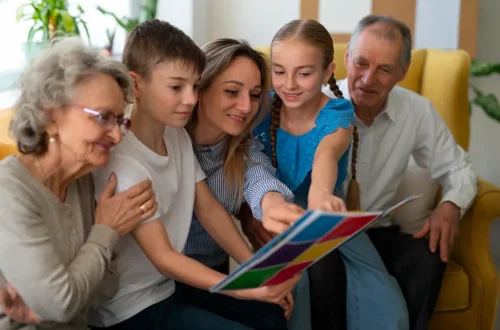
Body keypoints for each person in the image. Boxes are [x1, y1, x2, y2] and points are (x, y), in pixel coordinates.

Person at [88, 20, 300, 330]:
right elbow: (163, 257)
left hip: (166, 287)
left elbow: (209, 209)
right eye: (177, 87)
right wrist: (243, 288)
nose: (190, 98)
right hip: (129, 307)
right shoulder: (123, 161)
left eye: (194, 86)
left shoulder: (176, 135)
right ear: (136, 85)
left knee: (270, 315)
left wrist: (256, 270)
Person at [242, 19, 409, 330]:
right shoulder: (260, 107)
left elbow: (326, 156)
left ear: (328, 71)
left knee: (383, 298)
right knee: (296, 286)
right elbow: (245, 166)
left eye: (303, 73)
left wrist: (321, 195)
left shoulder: (339, 113)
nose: (289, 84)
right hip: (277, 220)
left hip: (327, 215)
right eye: (279, 71)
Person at [322, 14, 477, 330]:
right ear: (347, 58)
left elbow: (458, 168)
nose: (367, 78)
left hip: (379, 231)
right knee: (322, 271)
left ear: (403, 71)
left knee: (428, 255)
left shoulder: (417, 111)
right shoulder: (319, 105)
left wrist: (450, 205)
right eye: (361, 63)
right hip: (327, 236)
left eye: (384, 69)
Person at [0, 37, 157, 329]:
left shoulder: (82, 180)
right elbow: (60, 305)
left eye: (120, 120)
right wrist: (107, 230)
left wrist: (65, 296)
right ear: (51, 115)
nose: (117, 136)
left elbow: (106, 288)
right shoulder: (9, 190)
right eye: (103, 117)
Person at [178, 38, 306, 329]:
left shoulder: (242, 149)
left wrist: (273, 206)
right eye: (232, 92)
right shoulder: (171, 143)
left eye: (255, 94)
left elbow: (260, 179)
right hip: (163, 281)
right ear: (201, 87)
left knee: (271, 317)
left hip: (214, 272)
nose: (246, 106)